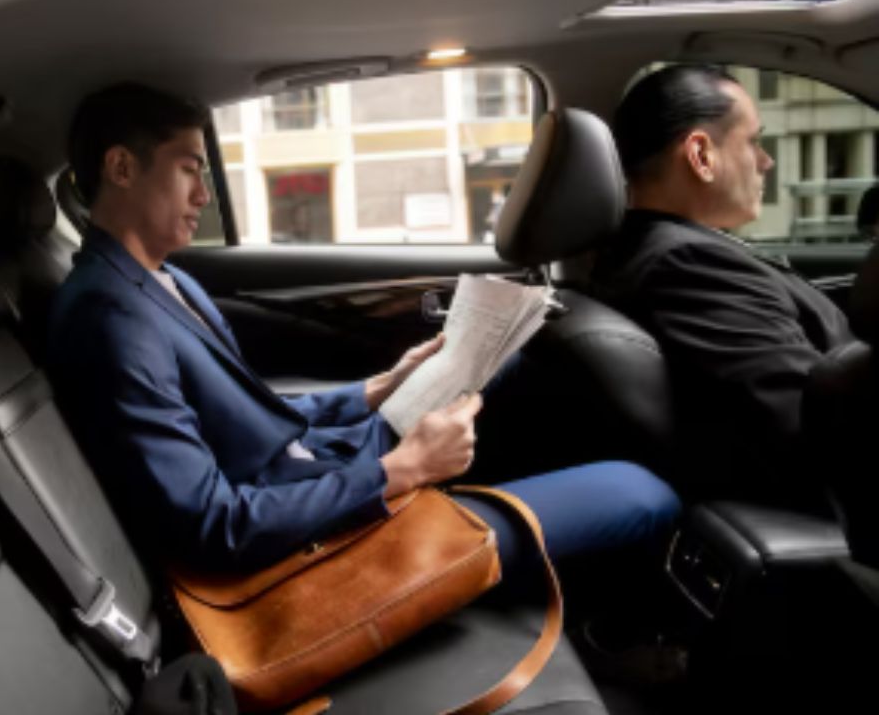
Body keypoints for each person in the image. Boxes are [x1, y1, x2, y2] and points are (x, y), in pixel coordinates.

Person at [48, 82, 679, 580]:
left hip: (320, 469)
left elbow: (248, 414)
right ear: (122, 168)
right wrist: (401, 471)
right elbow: (213, 526)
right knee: (641, 491)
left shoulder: (165, 280)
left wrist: (382, 386)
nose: (204, 195)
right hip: (312, 537)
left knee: (505, 366)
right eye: (189, 168)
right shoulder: (107, 320)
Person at [591, 65, 857, 503]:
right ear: (701, 155)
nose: (766, 160)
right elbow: (807, 424)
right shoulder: (690, 265)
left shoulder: (653, 250)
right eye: (753, 141)